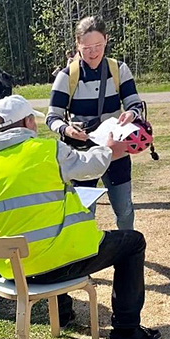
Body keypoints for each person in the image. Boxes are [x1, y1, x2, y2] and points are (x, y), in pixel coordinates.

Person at [0, 95, 161, 339]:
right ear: (28, 122)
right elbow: (92, 165)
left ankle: (64, 314)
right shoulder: (47, 151)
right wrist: (108, 147)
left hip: (13, 271)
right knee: (132, 242)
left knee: (46, 234)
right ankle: (126, 329)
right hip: (56, 264)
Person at [46, 16, 143, 230]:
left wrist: (131, 115)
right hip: (82, 156)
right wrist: (67, 129)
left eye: (98, 45)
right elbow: (52, 117)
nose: (93, 52)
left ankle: (127, 257)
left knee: (124, 209)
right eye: (87, 47)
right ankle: (86, 258)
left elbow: (136, 104)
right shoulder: (66, 76)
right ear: (77, 45)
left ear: (107, 40)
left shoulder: (118, 69)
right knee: (83, 213)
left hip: (116, 151)